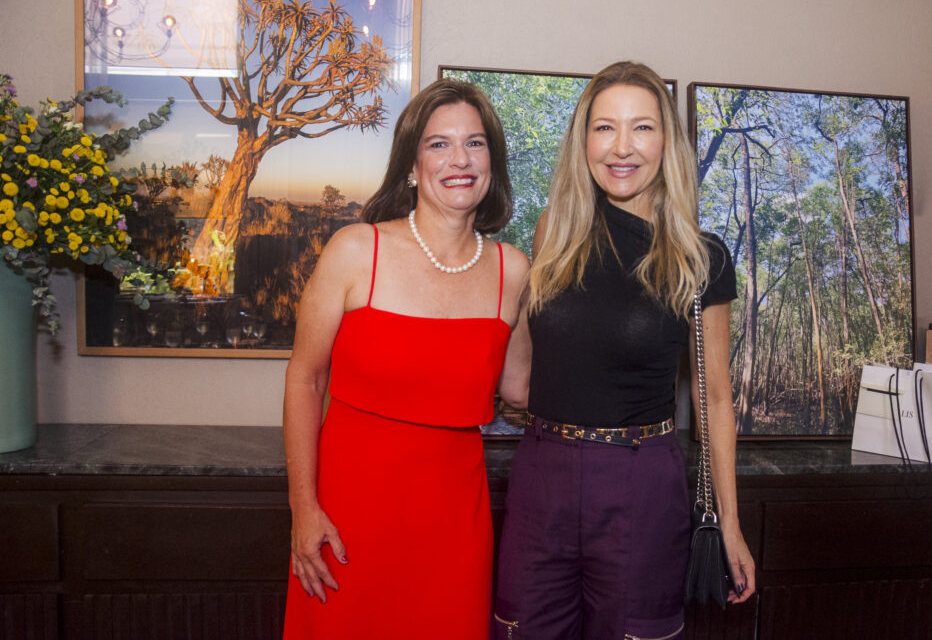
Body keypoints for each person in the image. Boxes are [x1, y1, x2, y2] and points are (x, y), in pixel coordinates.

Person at [492, 61, 756, 639]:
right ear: (583, 140)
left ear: (667, 142)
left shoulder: (700, 257)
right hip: (542, 478)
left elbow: (714, 398)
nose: (622, 147)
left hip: (640, 486)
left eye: (642, 128)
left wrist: (729, 525)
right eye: (605, 127)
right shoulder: (552, 234)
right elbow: (525, 368)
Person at [282, 78, 531, 639]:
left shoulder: (512, 272)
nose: (459, 159)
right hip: (347, 520)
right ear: (413, 166)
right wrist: (303, 508)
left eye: (475, 143)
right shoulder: (355, 250)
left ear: (493, 160)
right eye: (439, 144)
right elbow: (305, 377)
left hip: (453, 530)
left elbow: (522, 389)